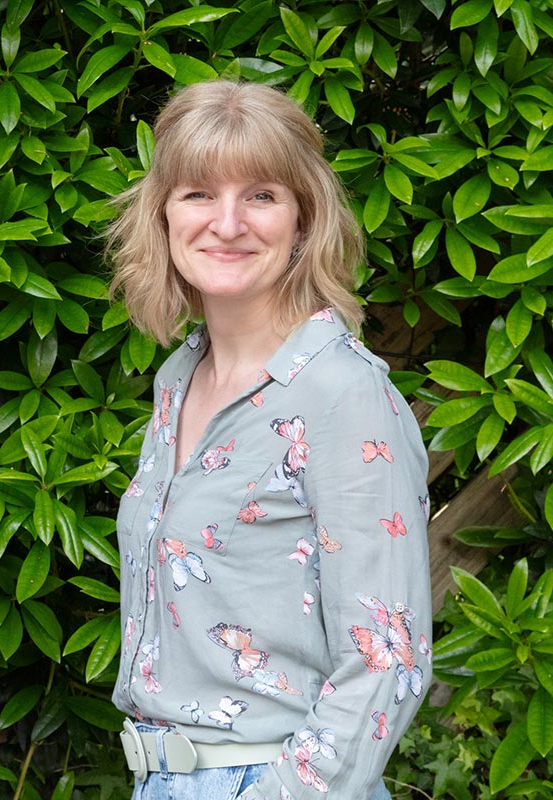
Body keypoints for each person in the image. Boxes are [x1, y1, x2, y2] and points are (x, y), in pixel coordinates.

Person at [105, 80, 431, 800]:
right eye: (197, 194)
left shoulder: (342, 395)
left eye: (260, 195)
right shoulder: (178, 378)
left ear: (303, 220)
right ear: (162, 215)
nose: (227, 223)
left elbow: (389, 660)